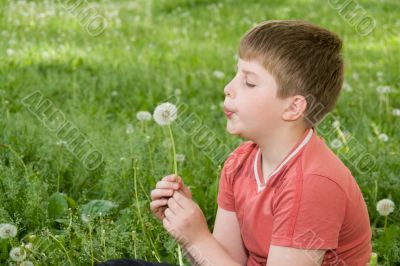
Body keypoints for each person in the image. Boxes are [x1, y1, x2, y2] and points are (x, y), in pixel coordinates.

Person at [100, 20, 372, 266]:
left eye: (249, 82)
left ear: (292, 108)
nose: (228, 87)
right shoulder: (240, 162)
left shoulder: (313, 183)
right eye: (235, 74)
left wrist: (197, 238)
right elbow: (224, 260)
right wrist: (186, 228)